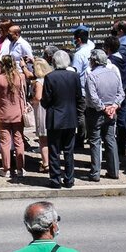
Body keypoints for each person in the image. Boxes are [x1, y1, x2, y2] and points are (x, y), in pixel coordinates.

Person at [41, 51, 83, 189]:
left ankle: (55, 179)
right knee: (68, 151)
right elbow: (79, 98)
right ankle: (69, 179)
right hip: (70, 118)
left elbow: (46, 100)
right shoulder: (74, 76)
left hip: (55, 118)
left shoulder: (50, 77)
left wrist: (45, 104)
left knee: (54, 150)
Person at [83, 49, 124, 182]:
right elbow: (121, 93)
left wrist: (103, 108)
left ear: (94, 61)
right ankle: (114, 171)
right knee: (110, 140)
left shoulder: (92, 76)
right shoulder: (114, 73)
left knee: (95, 141)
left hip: (96, 112)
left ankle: (95, 173)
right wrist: (114, 106)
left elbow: (92, 97)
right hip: (111, 111)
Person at [0, 55, 27, 178]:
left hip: (3, 113)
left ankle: (6, 168)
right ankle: (20, 168)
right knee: (19, 141)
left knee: (5, 142)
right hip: (18, 113)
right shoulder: (20, 77)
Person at [31, 47, 55, 173]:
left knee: (43, 139)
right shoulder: (51, 78)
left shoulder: (40, 81)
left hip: (41, 110)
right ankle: (52, 161)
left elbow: (38, 97)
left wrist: (32, 100)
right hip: (50, 109)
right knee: (51, 139)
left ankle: (46, 163)